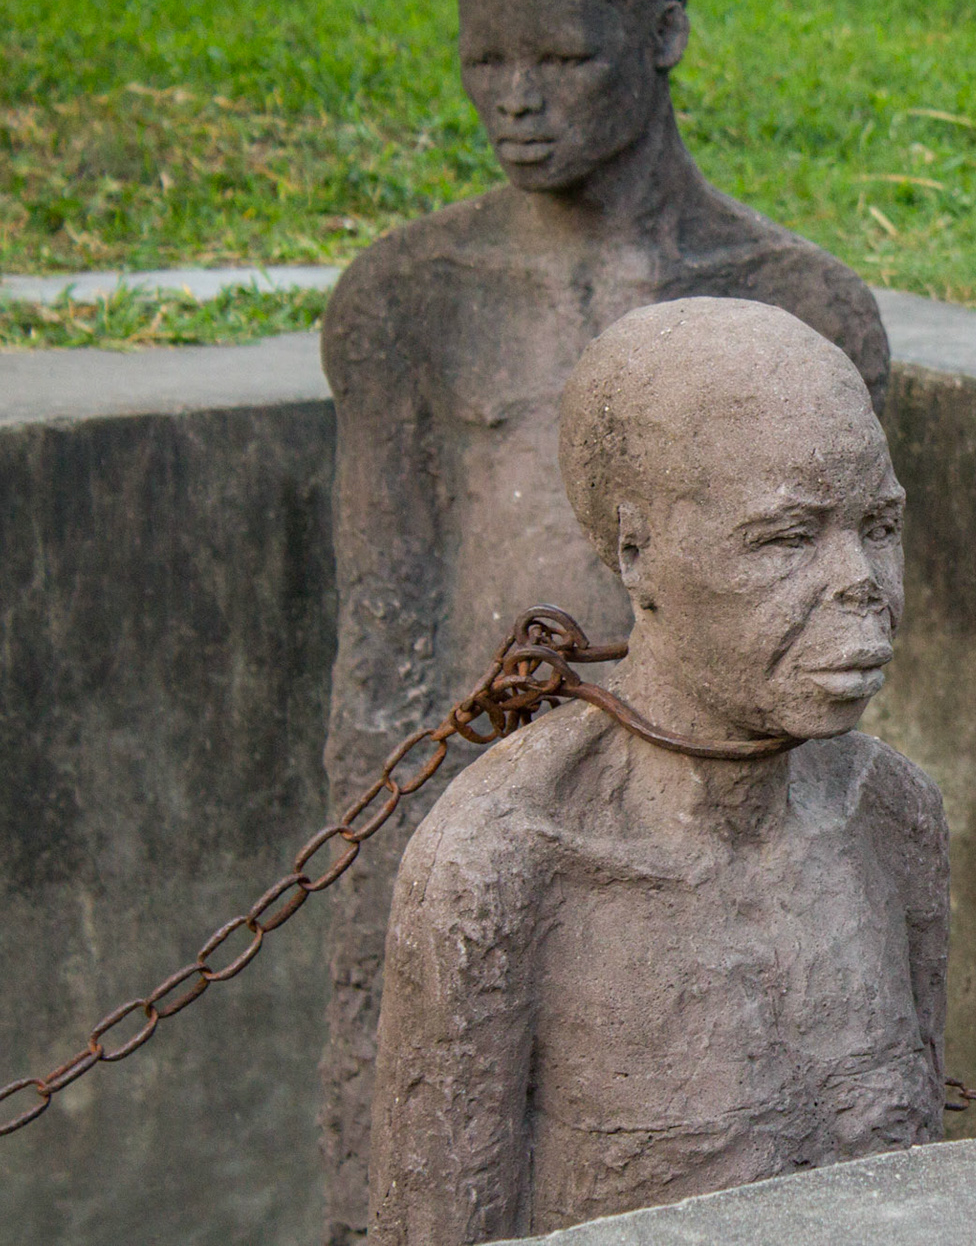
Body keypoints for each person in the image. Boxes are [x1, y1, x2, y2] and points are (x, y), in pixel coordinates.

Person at [315, 0, 890, 1233]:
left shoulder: (803, 310)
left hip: (718, 803)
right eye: (486, 63)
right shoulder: (407, 301)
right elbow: (387, 638)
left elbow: (836, 598)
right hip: (489, 801)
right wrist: (388, 897)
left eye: (562, 62)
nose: (513, 103)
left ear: (664, 34)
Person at [366, 298, 946, 1244]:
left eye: (880, 525)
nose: (863, 586)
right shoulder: (505, 867)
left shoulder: (893, 818)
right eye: (787, 539)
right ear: (638, 552)